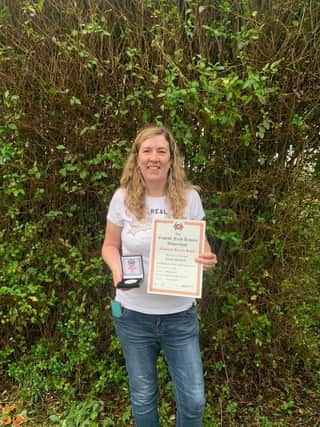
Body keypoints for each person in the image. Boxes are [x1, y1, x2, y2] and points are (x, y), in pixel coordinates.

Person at [101, 125, 217, 427]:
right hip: (133, 315)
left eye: (161, 151)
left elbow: (201, 243)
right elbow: (110, 246)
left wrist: (207, 257)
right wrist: (117, 270)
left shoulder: (190, 198)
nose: (154, 157)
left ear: (171, 158)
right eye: (147, 151)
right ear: (137, 158)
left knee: (193, 400)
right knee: (142, 396)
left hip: (179, 316)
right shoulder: (122, 198)